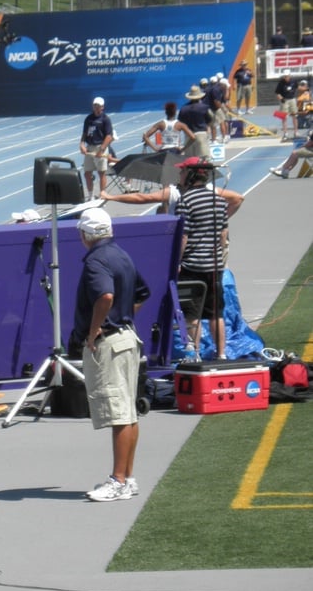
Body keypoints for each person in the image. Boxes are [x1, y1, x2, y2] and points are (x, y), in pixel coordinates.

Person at [70, 207, 149, 502]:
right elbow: (142, 292)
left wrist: (94, 330)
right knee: (127, 413)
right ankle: (127, 478)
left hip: (112, 343)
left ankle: (117, 480)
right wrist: (124, 316)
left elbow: (105, 296)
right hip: (127, 338)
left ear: (85, 235)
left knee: (118, 414)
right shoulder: (121, 254)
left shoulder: (96, 261)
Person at [175, 158, 230, 360]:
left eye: (181, 172)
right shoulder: (219, 200)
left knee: (192, 314)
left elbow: (183, 236)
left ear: (190, 175)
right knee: (216, 312)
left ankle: (196, 354)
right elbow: (224, 234)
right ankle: (221, 354)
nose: (179, 176)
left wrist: (176, 262)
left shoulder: (185, 200)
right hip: (215, 266)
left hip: (192, 267)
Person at [101, 155, 243, 217]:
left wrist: (112, 197)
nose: (179, 173)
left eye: (182, 170)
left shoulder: (174, 193)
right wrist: (222, 219)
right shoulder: (212, 190)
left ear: (190, 175)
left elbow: (142, 197)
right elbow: (238, 198)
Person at [79, 96, 113, 200]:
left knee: (101, 173)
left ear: (102, 107)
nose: (96, 107)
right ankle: (90, 195)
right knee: (87, 172)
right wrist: (82, 144)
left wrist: (102, 149)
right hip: (90, 147)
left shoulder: (105, 119)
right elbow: (84, 133)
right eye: (95, 105)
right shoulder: (88, 119)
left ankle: (102, 195)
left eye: (98, 106)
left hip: (100, 147)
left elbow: (109, 136)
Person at [178, 85, 212, 159]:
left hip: (188, 135)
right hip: (201, 134)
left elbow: (180, 122)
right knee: (204, 159)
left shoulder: (183, 108)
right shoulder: (204, 107)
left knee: (190, 159)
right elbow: (210, 120)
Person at [275, 71, 299, 141]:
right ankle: (285, 133)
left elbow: (297, 88)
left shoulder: (294, 81)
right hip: (284, 100)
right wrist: (281, 98)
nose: (286, 78)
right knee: (284, 117)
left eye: (287, 76)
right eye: (285, 76)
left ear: (289, 76)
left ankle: (296, 132)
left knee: (295, 116)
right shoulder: (281, 82)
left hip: (292, 99)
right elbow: (277, 93)